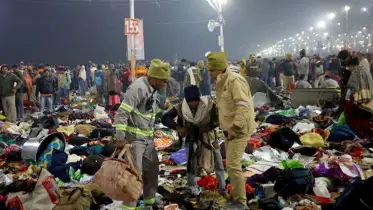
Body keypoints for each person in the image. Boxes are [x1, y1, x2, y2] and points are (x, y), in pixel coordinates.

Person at [114, 59, 170, 210]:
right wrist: (120, 138)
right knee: (134, 176)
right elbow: (122, 113)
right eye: (163, 81)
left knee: (152, 171)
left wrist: (165, 112)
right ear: (155, 78)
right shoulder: (137, 88)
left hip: (148, 139)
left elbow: (147, 112)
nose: (165, 84)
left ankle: (149, 203)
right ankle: (129, 206)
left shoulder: (152, 89)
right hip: (135, 141)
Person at [207, 52, 256, 209]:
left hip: (239, 130)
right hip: (229, 130)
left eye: (211, 70)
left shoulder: (235, 80)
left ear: (219, 69)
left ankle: (240, 202)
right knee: (231, 165)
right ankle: (235, 196)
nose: (209, 73)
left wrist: (235, 127)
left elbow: (243, 105)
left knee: (233, 166)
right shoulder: (221, 82)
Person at [161, 85, 227, 196]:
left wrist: (210, 126)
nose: (193, 104)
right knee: (191, 164)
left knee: (218, 163)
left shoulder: (209, 105)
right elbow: (165, 118)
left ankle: (222, 189)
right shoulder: (182, 107)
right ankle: (192, 187)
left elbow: (221, 118)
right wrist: (178, 127)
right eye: (190, 101)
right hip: (191, 138)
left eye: (196, 101)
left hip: (209, 138)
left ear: (199, 98)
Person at [344, 57, 373, 138]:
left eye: (349, 67)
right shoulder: (366, 72)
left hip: (355, 102)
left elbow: (350, 89)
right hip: (365, 103)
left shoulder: (356, 72)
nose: (348, 69)